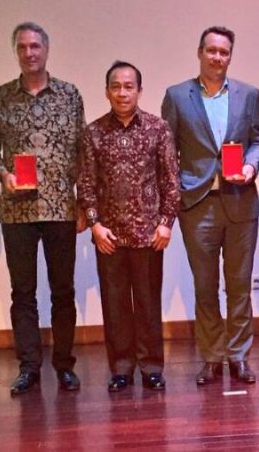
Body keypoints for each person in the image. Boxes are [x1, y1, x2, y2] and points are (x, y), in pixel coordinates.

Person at [0, 22, 86, 394]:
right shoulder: (1, 97)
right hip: (17, 211)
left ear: (46, 49)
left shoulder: (70, 95)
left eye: (35, 46)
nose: (29, 53)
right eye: (22, 47)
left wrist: (83, 202)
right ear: (16, 52)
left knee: (63, 291)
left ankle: (65, 365)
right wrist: (4, 174)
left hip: (60, 209)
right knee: (23, 293)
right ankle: (28, 367)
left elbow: (82, 153)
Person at [161, 26, 259, 385]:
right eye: (212, 51)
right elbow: (167, 152)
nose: (218, 57)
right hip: (198, 203)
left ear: (230, 56)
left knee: (239, 286)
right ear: (200, 52)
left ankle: (238, 356)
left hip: (241, 203)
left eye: (224, 52)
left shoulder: (248, 94)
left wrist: (251, 166)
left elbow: (258, 141)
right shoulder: (177, 96)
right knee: (205, 287)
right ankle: (211, 356)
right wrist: (177, 191)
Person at [79, 61, 180, 391]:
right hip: (108, 236)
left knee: (148, 306)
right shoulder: (93, 132)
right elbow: (86, 184)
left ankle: (151, 367)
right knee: (115, 306)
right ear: (107, 91)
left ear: (139, 90)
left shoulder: (158, 128)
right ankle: (121, 368)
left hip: (149, 236)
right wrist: (94, 225)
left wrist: (166, 223)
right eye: (116, 86)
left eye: (128, 86)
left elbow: (171, 180)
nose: (122, 93)